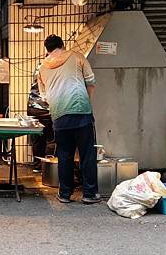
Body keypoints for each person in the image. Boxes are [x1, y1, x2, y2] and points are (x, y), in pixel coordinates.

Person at [38, 34, 100, 205]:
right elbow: (91, 81)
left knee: (64, 155)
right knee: (87, 154)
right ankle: (89, 194)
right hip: (81, 113)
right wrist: (86, 102)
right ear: (62, 45)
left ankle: (65, 194)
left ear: (47, 50)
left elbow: (44, 96)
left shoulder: (42, 67)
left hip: (59, 115)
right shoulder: (77, 57)